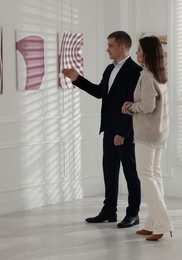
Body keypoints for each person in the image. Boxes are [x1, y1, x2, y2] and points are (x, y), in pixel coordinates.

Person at [62, 31, 142, 228]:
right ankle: (109, 210)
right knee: (109, 171)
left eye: (110, 45)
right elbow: (100, 92)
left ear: (122, 47)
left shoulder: (135, 71)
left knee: (130, 173)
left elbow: (132, 103)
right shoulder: (109, 69)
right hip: (108, 128)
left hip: (125, 132)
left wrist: (122, 133)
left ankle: (133, 214)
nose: (107, 49)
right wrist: (77, 79)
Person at [121, 36, 173, 241]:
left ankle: (163, 223)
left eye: (140, 50)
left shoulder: (147, 76)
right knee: (155, 175)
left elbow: (148, 106)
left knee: (146, 177)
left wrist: (129, 107)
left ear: (148, 52)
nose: (137, 53)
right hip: (159, 132)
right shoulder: (160, 75)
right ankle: (152, 223)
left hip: (147, 133)